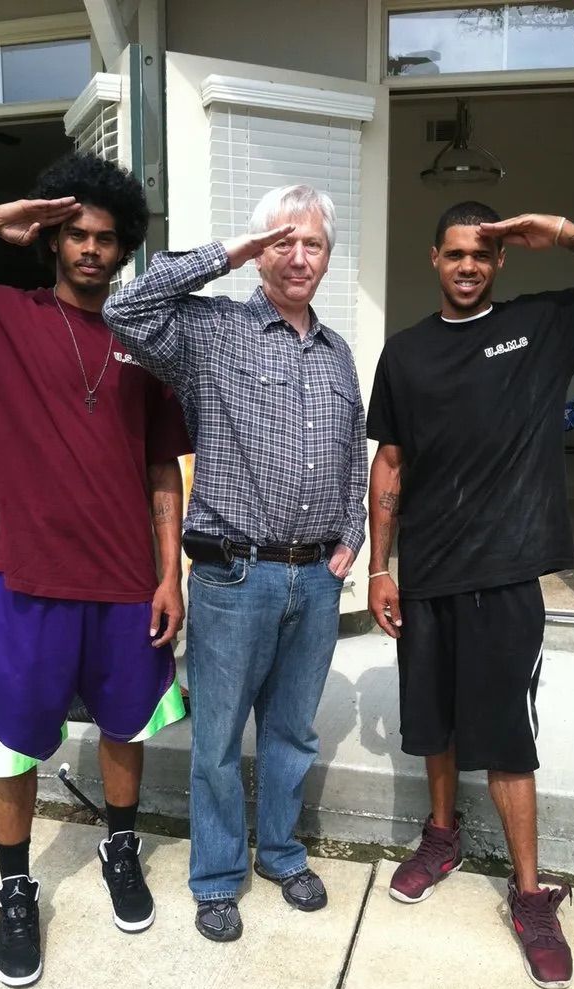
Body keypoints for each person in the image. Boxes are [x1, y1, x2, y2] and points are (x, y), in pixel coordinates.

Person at [366, 203, 574, 989]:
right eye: (455, 254)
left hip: (506, 576)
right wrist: (379, 567)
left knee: (507, 738)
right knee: (432, 722)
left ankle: (531, 897)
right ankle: (443, 836)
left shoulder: (543, 326)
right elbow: (391, 462)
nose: (468, 266)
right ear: (434, 259)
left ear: (499, 261)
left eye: (482, 254)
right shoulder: (405, 352)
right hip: (428, 571)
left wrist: (563, 233)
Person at [0, 153, 191, 987]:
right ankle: (15, 889)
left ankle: (121, 846)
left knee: (125, 726)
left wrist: (170, 575)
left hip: (125, 582)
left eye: (105, 238)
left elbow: (162, 467)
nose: (89, 248)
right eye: (75, 233)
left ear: (124, 249)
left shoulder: (143, 341)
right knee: (10, 741)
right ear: (51, 238)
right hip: (29, 579)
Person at [103, 184, 367, 942]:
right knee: (217, 740)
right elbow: (126, 308)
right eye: (282, 241)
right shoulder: (212, 330)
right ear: (258, 253)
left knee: (292, 732)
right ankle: (218, 877)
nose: (298, 256)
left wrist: (350, 538)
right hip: (233, 575)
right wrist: (228, 252)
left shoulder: (338, 352)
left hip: (316, 579)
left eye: (313, 243)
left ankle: (281, 854)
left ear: (329, 256)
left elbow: (355, 452)